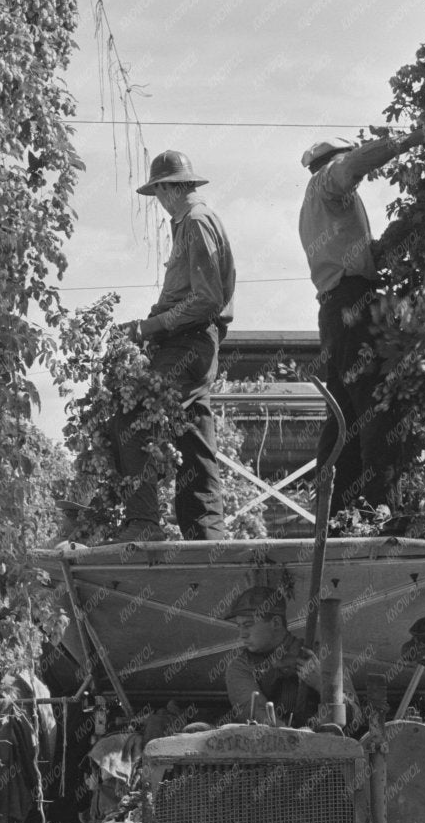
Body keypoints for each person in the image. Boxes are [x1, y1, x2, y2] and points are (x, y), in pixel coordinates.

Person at [298, 124, 425, 517]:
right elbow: (353, 164)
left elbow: (358, 254)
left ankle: (336, 514)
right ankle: (378, 506)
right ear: (333, 160)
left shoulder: (325, 209)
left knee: (345, 419)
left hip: (337, 310)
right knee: (378, 406)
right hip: (351, 306)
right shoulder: (328, 181)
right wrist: (411, 138)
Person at [113, 150, 236, 540]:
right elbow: (186, 295)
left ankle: (144, 523)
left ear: (168, 187)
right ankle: (206, 534)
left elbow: (206, 301)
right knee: (193, 433)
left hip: (190, 342)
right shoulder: (191, 222)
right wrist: (146, 325)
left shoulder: (196, 222)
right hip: (192, 342)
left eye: (158, 192)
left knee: (129, 414)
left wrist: (150, 328)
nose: (159, 203)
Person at [223, 585, 358, 728]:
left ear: (275, 622)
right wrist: (298, 736)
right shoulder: (241, 667)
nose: (242, 634)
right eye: (240, 626)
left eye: (248, 625)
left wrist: (322, 684)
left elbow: (355, 716)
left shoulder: (320, 657)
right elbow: (260, 718)